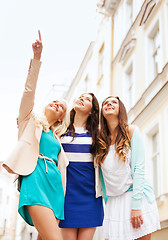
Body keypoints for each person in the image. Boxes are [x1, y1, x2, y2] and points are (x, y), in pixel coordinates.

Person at [2, 30, 70, 240]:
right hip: (34, 181)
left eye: (62, 106)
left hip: (55, 188)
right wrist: (37, 58)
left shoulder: (57, 139)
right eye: (55, 101)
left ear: (61, 119)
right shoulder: (28, 120)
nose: (57, 102)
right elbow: (28, 90)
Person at [96, 96, 160, 240]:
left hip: (135, 197)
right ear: (102, 112)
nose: (109, 104)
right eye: (105, 103)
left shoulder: (131, 131)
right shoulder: (100, 141)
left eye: (114, 102)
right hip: (114, 202)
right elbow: (102, 176)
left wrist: (136, 206)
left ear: (120, 109)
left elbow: (139, 169)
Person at [59, 93, 104, 240]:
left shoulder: (97, 135)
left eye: (87, 99)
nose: (81, 99)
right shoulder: (60, 131)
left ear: (92, 110)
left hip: (90, 198)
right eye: (80, 97)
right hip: (66, 198)